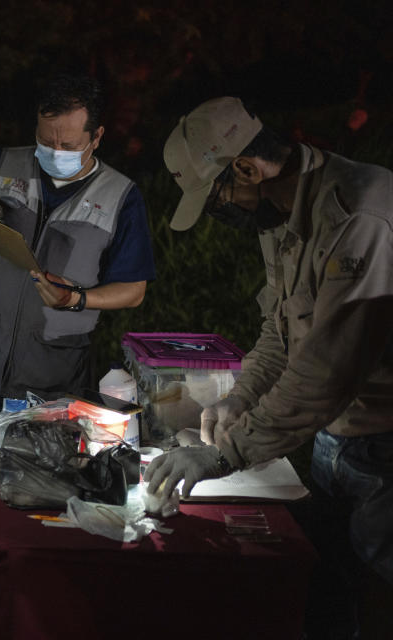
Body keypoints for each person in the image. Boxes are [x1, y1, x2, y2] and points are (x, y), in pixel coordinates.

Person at [149, 96, 393, 639]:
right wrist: (239, 398)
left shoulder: (359, 217)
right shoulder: (278, 213)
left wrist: (223, 455)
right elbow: (279, 334)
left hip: (384, 444)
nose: (222, 213)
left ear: (245, 167)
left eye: (216, 200)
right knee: (331, 592)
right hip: (336, 437)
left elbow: (327, 372)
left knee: (379, 596)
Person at [0, 73, 156, 590]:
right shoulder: (3, 164)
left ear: (96, 137)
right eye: (46, 138)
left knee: (43, 483)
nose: (54, 150)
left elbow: (134, 289)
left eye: (69, 143)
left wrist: (75, 298)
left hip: (52, 374)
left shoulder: (121, 196)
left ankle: (26, 588)